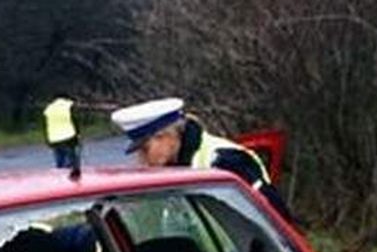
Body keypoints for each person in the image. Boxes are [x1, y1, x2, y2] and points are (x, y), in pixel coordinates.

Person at [110, 97, 294, 221]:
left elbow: (274, 217)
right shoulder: (173, 168)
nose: (142, 159)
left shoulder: (225, 161)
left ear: (165, 136)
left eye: (145, 149)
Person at [42, 93, 82, 170]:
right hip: (69, 137)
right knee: (71, 161)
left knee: (59, 161)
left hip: (54, 138)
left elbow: (46, 125)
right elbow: (74, 121)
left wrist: (47, 139)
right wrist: (78, 134)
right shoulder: (69, 105)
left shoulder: (49, 108)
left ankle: (60, 172)